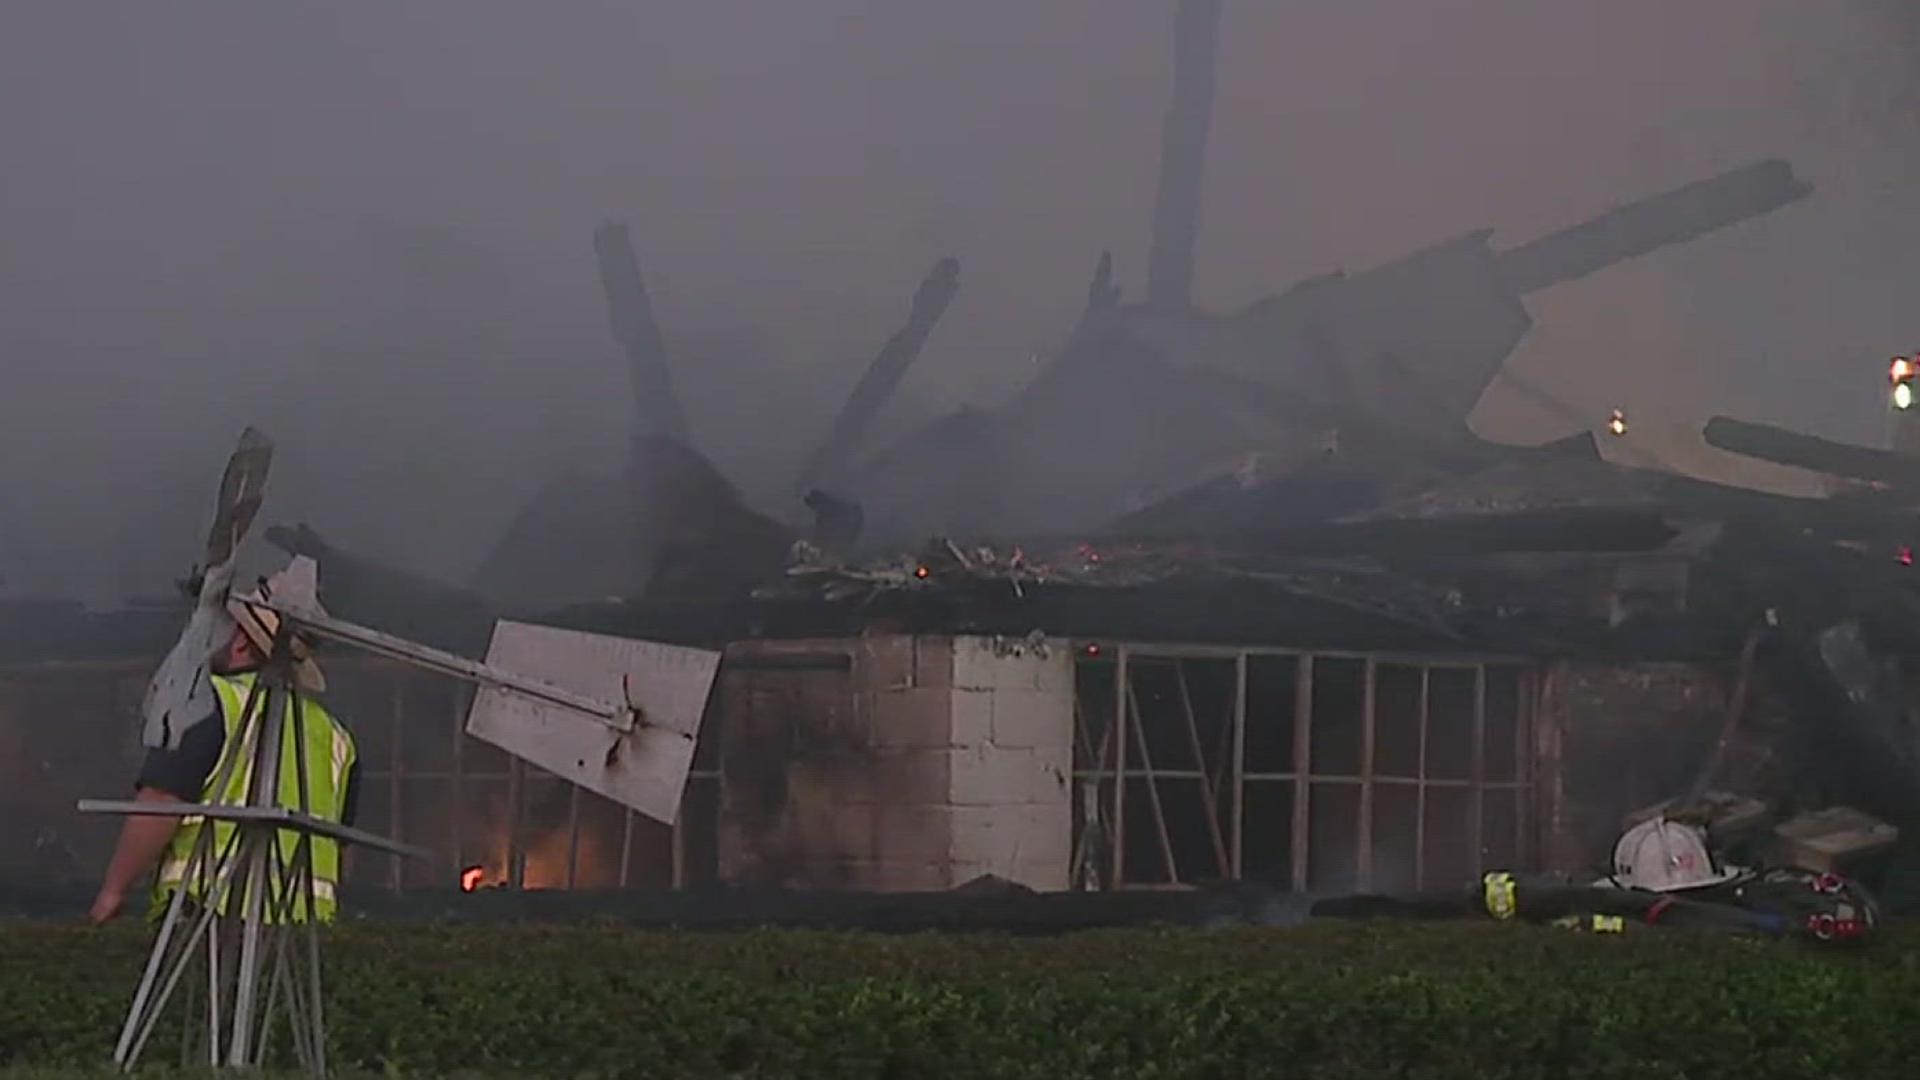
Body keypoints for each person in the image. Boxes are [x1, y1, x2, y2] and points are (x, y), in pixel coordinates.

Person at [89, 592, 359, 925]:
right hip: (302, 935)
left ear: (241, 642)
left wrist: (113, 892)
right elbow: (341, 853)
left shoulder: (205, 704)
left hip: (207, 922)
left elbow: (160, 803)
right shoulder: (334, 736)